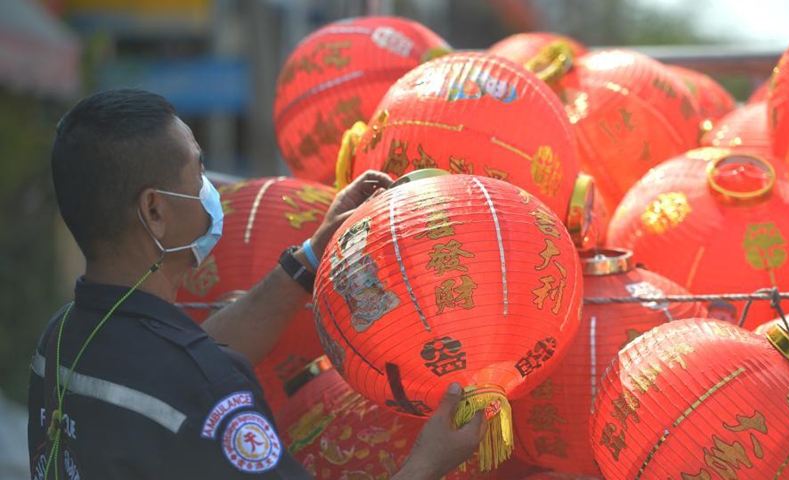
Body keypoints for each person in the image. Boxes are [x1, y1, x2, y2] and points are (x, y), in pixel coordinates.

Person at [28, 89, 485, 479]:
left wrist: (310, 256)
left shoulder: (61, 339)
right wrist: (428, 462)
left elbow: (183, 363)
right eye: (198, 169)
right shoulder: (210, 397)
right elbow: (191, 381)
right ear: (155, 212)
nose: (208, 187)